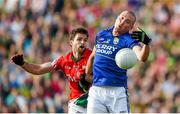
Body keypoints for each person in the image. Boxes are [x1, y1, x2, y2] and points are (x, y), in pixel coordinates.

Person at [11, 27, 92, 113]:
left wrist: (90, 79)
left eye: (85, 40)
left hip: (92, 101)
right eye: (79, 39)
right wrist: (23, 64)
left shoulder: (92, 57)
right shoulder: (64, 60)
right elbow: (39, 69)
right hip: (76, 104)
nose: (83, 42)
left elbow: (104, 77)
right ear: (71, 42)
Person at [85, 10, 151, 113]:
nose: (122, 22)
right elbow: (93, 56)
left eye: (127, 22)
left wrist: (146, 43)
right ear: (117, 18)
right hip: (96, 90)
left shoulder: (129, 40)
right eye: (121, 18)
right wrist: (87, 73)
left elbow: (142, 57)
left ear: (131, 27)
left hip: (117, 91)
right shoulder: (102, 34)